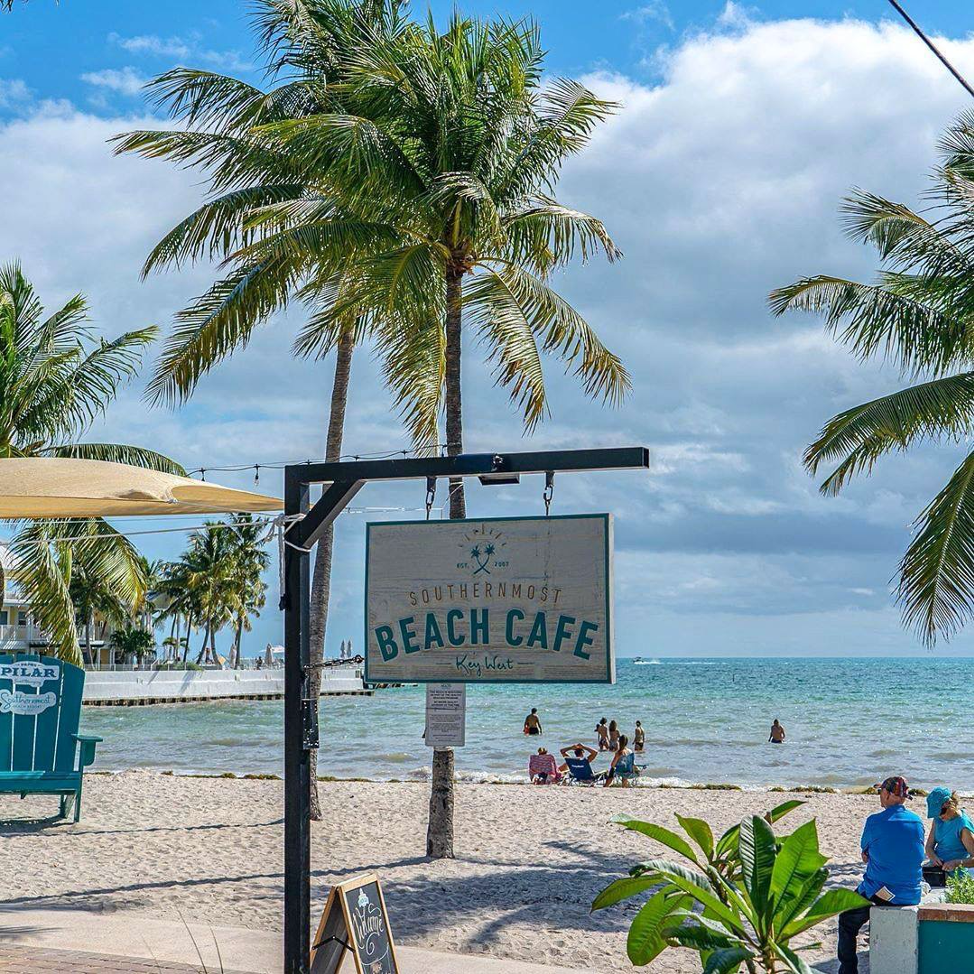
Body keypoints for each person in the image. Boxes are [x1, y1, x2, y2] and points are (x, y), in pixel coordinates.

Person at [837, 775, 924, 974]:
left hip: (881, 892)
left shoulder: (874, 821)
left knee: (846, 920)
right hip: (912, 892)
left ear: (886, 793)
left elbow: (865, 855)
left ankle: (848, 970)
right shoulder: (917, 821)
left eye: (880, 792)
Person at [925, 787, 974, 878]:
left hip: (955, 874)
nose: (940, 816)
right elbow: (928, 846)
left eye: (941, 813)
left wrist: (956, 863)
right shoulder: (938, 819)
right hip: (936, 869)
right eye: (936, 814)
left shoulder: (963, 825)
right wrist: (933, 857)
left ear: (950, 804)